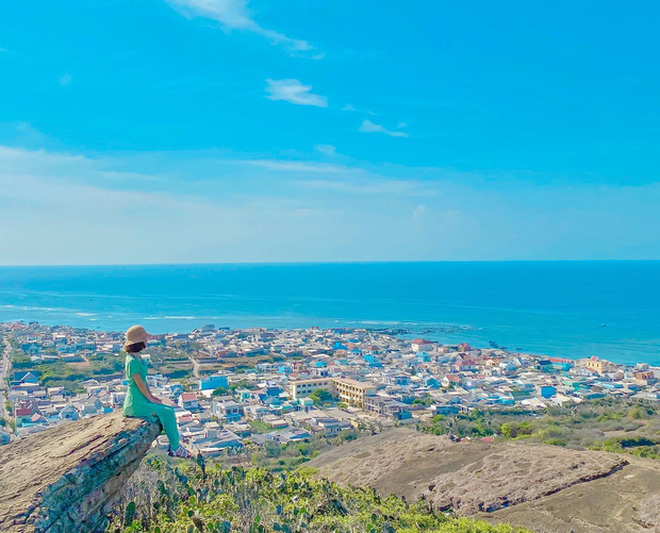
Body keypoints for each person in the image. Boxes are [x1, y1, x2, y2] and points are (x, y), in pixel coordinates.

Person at [122, 325, 192, 458]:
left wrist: (152, 397)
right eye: (145, 338)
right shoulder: (131, 361)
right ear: (139, 341)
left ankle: (175, 446)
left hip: (142, 399)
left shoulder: (138, 358)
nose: (147, 341)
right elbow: (139, 384)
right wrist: (150, 399)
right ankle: (175, 448)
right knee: (167, 411)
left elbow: (144, 381)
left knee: (167, 409)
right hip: (136, 403)